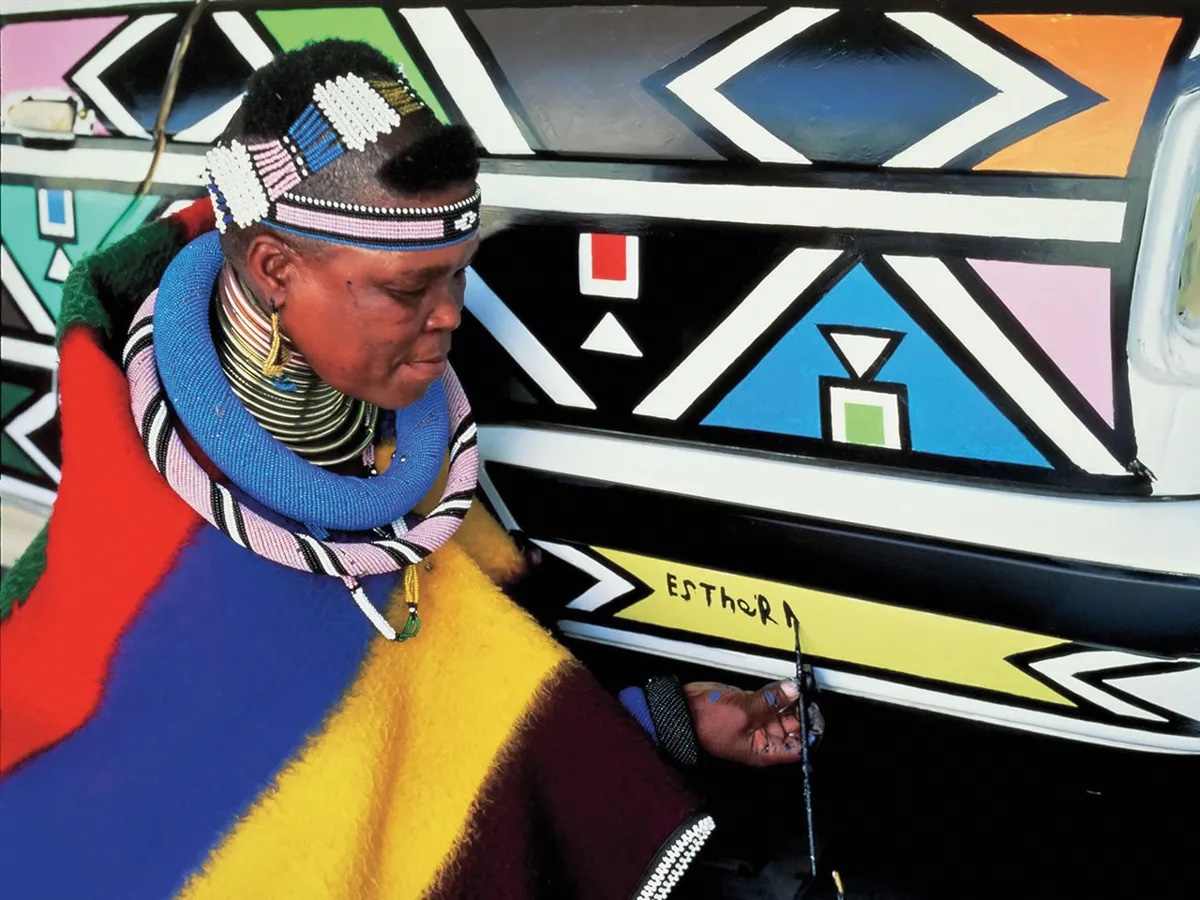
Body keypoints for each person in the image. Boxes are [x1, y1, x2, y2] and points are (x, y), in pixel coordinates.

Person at [0, 40, 819, 899]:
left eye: (458, 276)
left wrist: (657, 723)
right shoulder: (164, 541)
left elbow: (441, 690)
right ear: (276, 269)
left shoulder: (390, 461)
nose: (450, 318)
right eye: (407, 290)